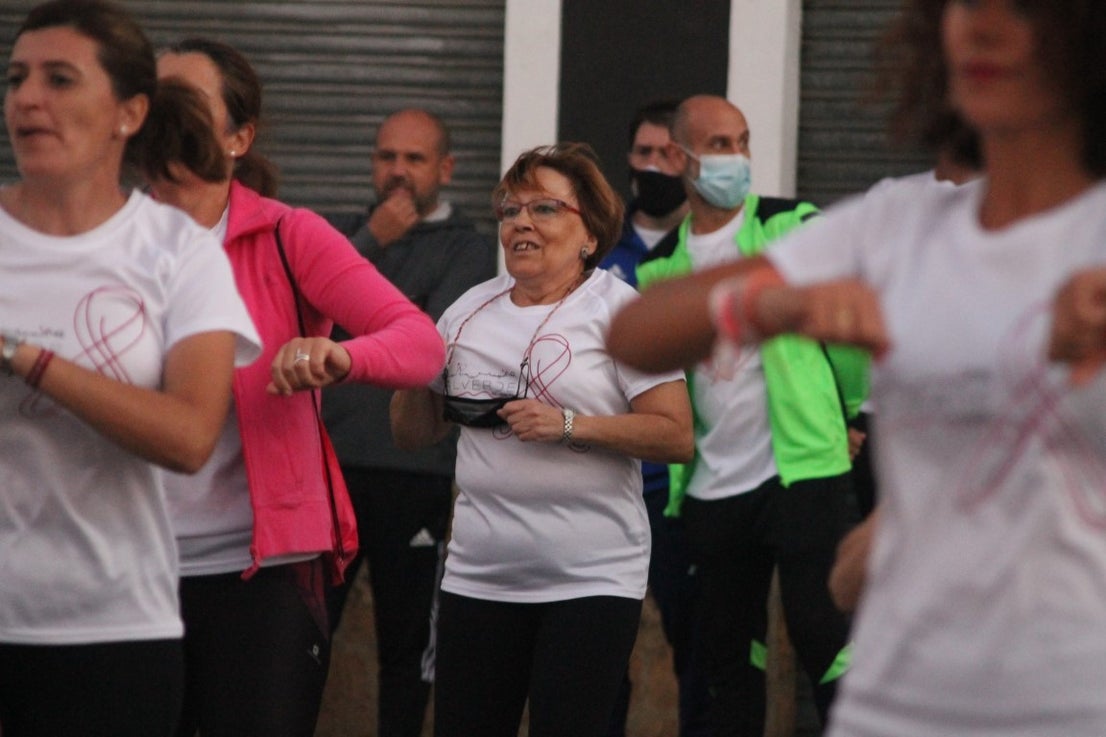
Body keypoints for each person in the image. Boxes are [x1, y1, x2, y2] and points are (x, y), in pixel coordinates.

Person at [608, 2, 1106, 735]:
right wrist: (771, 304)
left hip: (1063, 690)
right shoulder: (895, 221)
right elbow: (636, 332)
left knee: (814, 628)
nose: (983, 25)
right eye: (965, 5)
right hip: (899, 695)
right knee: (727, 656)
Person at [143, 38, 445, 737]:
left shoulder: (288, 234)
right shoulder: (106, 239)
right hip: (121, 564)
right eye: (151, 99)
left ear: (239, 136)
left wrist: (339, 357)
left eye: (186, 102)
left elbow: (420, 342)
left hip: (258, 574)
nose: (164, 117)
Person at [0, 2, 262, 736]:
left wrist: (23, 356)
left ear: (129, 112)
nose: (28, 98)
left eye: (59, 79)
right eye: (17, 78)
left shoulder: (178, 251)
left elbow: (187, 437)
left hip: (111, 628)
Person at [390, 142, 694, 737]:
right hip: (480, 575)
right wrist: (411, 374)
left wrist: (571, 424)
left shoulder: (620, 311)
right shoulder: (466, 312)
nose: (521, 222)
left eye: (545, 209)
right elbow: (413, 435)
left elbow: (677, 435)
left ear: (589, 232)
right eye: (510, 210)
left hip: (590, 579)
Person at [631, 94, 867, 737]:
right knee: (730, 660)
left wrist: (850, 413)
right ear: (679, 158)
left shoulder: (793, 227)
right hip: (711, 492)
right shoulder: (660, 271)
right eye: (719, 145)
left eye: (742, 142)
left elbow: (849, 332)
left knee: (827, 639)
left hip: (804, 474)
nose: (737, 158)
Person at [322, 108, 495, 737]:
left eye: (414, 159)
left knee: (406, 650)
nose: (397, 172)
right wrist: (372, 241)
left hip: (413, 476)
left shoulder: (470, 248)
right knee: (305, 638)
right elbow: (303, 307)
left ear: (445, 169)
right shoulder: (342, 234)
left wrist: (352, 320)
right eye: (386, 156)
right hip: (327, 470)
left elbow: (430, 341)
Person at [600, 100, 708, 737]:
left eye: (669, 153)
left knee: (699, 650)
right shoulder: (596, 248)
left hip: (682, 493)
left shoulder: (714, 250)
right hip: (603, 484)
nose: (654, 166)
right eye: (643, 153)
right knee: (602, 660)